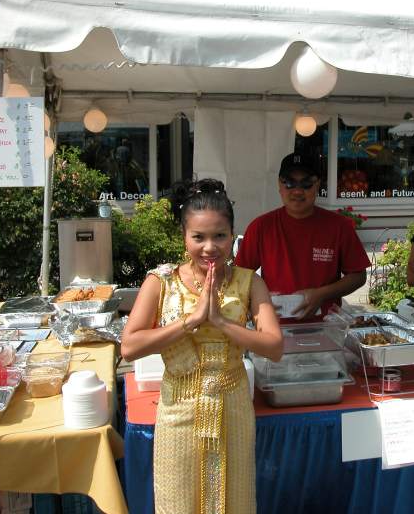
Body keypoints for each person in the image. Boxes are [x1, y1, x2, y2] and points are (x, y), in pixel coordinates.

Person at [121, 179, 283, 514]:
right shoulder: (160, 282)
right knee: (178, 500)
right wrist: (190, 321)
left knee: (234, 500)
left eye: (219, 236)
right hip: (179, 407)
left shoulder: (250, 281)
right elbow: (130, 347)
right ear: (183, 237)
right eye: (199, 237)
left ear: (232, 235)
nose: (210, 247)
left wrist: (222, 323)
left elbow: (274, 346)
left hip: (233, 406)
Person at [235, 152, 371, 320]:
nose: (297, 191)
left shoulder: (339, 226)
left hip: (326, 327)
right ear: (279, 185)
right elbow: (240, 276)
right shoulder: (261, 227)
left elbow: (358, 276)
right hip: (274, 327)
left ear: (317, 185)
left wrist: (321, 294)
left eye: (306, 183)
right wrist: (257, 299)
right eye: (289, 183)